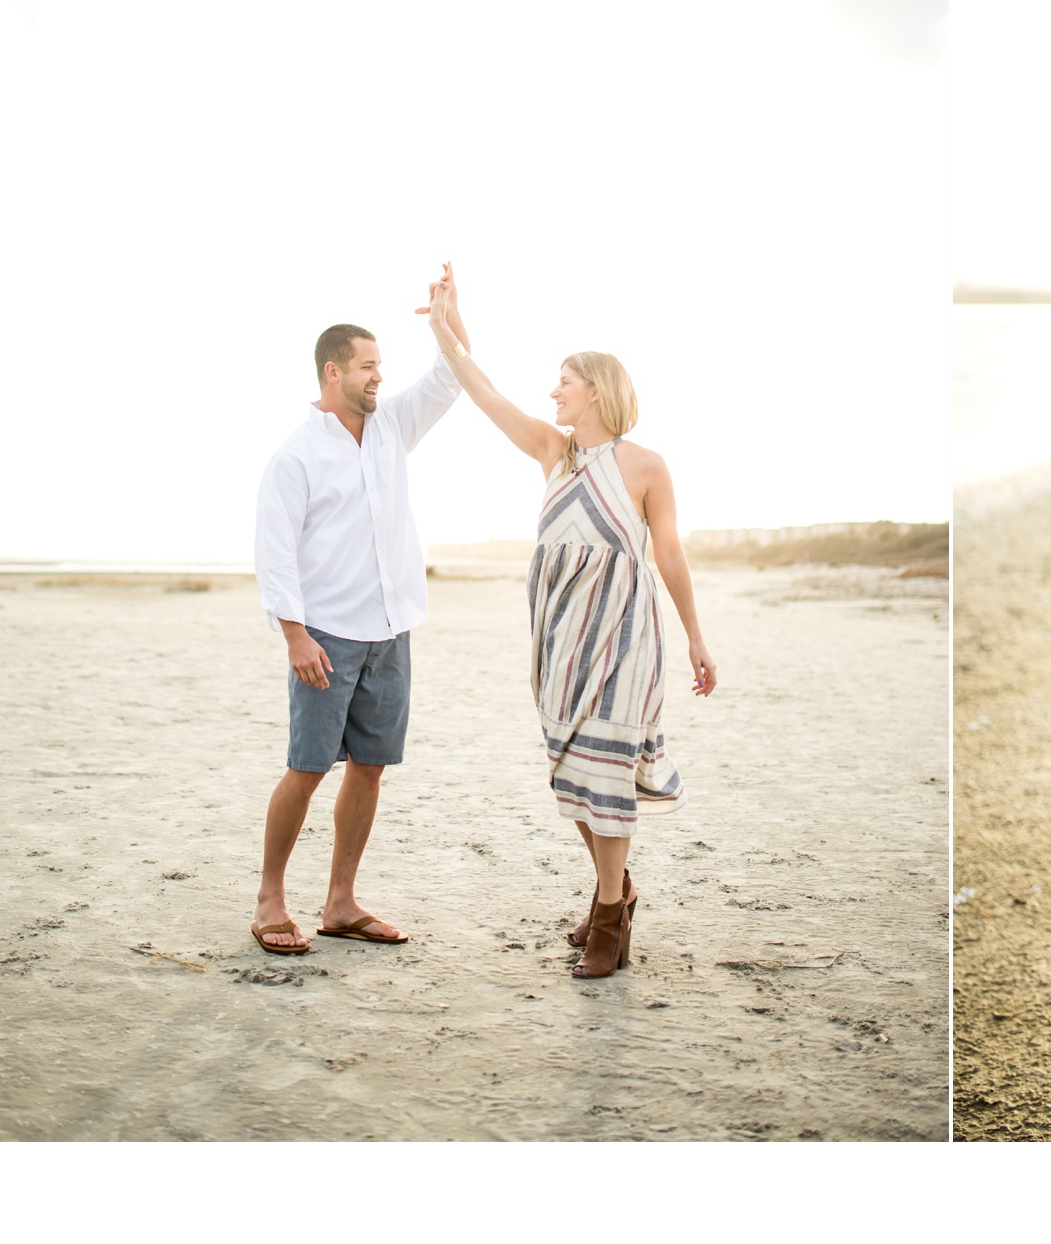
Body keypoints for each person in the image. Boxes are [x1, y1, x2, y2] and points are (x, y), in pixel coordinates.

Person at [418, 266, 717, 981]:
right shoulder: (554, 453)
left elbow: (668, 554)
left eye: (565, 381)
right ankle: (617, 890)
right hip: (558, 636)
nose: (553, 392)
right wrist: (445, 322)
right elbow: (480, 386)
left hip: (622, 634)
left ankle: (609, 922)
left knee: (608, 775)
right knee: (572, 775)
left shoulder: (646, 466)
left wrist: (696, 638)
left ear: (598, 390)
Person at [250, 312, 462, 953]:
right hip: (325, 637)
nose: (379, 377)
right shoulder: (296, 456)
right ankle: (270, 901)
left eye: (380, 367)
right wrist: (294, 635)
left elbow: (452, 377)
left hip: (391, 632)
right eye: (368, 366)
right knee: (307, 769)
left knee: (369, 768)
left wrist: (449, 319)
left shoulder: (392, 426)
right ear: (332, 370)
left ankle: (340, 903)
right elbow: (275, 555)